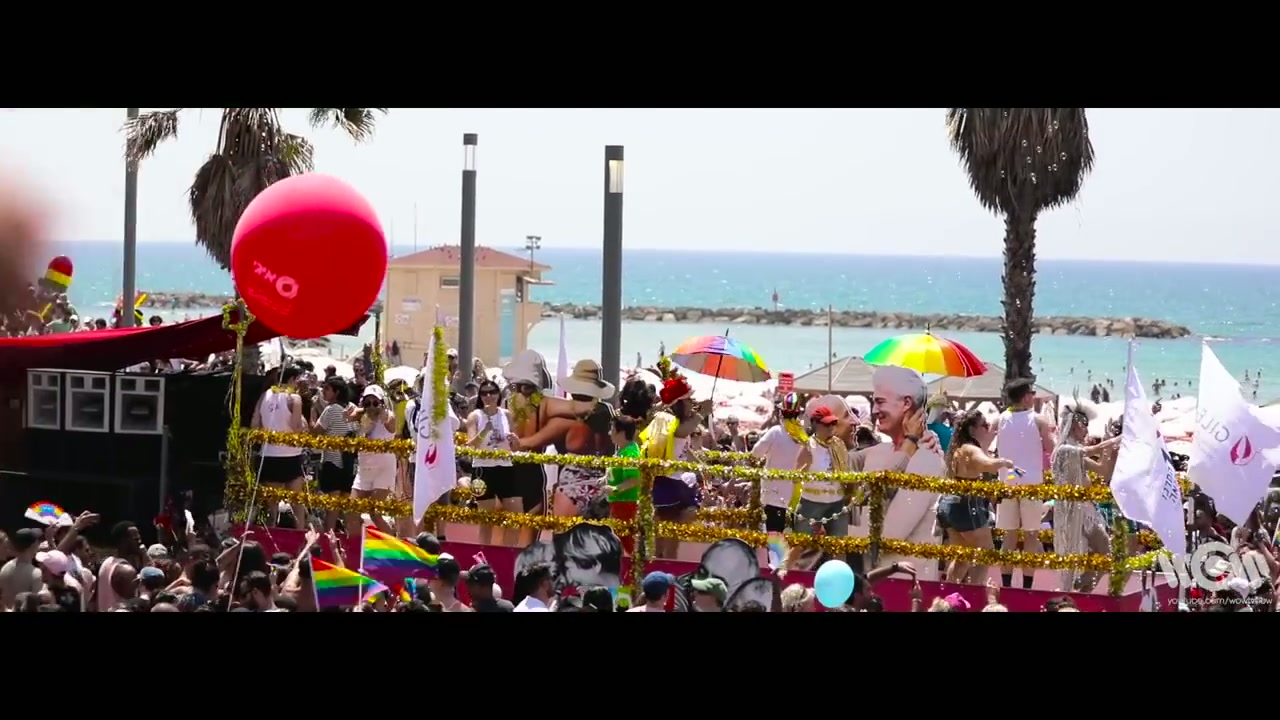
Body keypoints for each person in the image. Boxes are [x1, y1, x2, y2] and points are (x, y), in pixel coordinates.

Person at [848, 367, 946, 581]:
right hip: (871, 581)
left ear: (906, 403)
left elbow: (891, 533)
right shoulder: (878, 452)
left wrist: (836, 532)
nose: (875, 410)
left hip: (903, 585)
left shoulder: (927, 460)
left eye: (880, 402)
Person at [640, 369, 711, 558]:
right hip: (668, 484)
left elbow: (685, 450)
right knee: (669, 534)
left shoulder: (677, 423)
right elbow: (683, 432)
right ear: (679, 403)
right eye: (689, 400)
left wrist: (701, 467)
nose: (692, 403)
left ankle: (663, 563)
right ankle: (662, 564)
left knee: (670, 534)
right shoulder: (670, 422)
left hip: (675, 483)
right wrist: (702, 413)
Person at [1051, 401, 1120, 592]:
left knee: (1104, 553)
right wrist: (1115, 439)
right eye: (1084, 425)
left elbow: (1103, 471)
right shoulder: (1065, 451)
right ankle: (1076, 589)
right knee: (1088, 554)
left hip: (1086, 510)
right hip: (1072, 511)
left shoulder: (1077, 453)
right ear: (1074, 425)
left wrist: (1110, 450)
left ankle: (1082, 588)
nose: (1087, 430)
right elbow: (1093, 450)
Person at [937, 409, 1012, 583]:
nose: (988, 427)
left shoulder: (959, 448)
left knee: (962, 557)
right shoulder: (971, 449)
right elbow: (986, 464)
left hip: (951, 504)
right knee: (985, 552)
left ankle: (950, 591)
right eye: (984, 425)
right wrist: (1003, 462)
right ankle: (975, 592)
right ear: (972, 429)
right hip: (966, 506)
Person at [995, 378, 1056, 589]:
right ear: (1025, 397)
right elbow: (1051, 449)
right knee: (1031, 536)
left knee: (1009, 537)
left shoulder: (1000, 419)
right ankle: (1027, 586)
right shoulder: (1038, 420)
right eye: (1031, 393)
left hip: (1007, 482)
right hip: (1031, 484)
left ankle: (1006, 584)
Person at [251, 366, 309, 526]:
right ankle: (300, 535)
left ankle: (272, 535)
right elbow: (296, 427)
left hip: (269, 454)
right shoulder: (294, 398)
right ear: (291, 380)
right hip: (290, 455)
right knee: (297, 503)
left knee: (272, 506)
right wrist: (303, 423)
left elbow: (255, 425)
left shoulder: (264, 395)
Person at [466, 378, 517, 545]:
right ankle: (483, 554)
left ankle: (508, 553)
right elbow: (471, 444)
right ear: (480, 396)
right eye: (484, 393)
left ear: (498, 394)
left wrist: (515, 440)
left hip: (505, 467)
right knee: (485, 520)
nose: (488, 396)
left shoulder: (506, 414)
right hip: (483, 469)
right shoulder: (475, 416)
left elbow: (516, 445)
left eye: (493, 392)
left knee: (514, 517)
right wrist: (484, 431)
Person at [750, 393, 809, 536]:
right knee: (792, 538)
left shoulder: (775, 432)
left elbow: (755, 453)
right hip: (796, 496)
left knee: (774, 537)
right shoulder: (802, 436)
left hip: (773, 495)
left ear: (781, 413)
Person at [346, 384, 398, 534]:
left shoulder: (388, 416)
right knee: (351, 511)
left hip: (383, 470)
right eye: (367, 403)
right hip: (364, 471)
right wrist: (357, 412)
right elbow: (348, 417)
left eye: (375, 403)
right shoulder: (362, 416)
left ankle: (393, 542)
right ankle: (356, 543)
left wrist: (379, 410)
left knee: (375, 513)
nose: (371, 407)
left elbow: (390, 423)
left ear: (382, 402)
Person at [311, 376, 357, 532]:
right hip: (349, 464)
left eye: (327, 389)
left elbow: (315, 431)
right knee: (347, 509)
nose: (323, 392)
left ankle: (328, 540)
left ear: (336, 392)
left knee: (332, 510)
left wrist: (312, 411)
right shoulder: (352, 408)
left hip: (333, 463)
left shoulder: (331, 410)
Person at [607, 415, 642, 554]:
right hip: (618, 503)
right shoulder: (622, 450)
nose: (609, 433)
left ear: (621, 433)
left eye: (612, 429)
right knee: (620, 541)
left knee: (628, 542)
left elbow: (635, 479)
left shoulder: (631, 453)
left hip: (626, 503)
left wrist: (615, 489)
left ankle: (638, 566)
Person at [0, 528, 45, 610]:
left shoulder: (5, 568)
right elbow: (38, 605)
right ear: (33, 546)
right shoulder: (36, 574)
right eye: (37, 542)